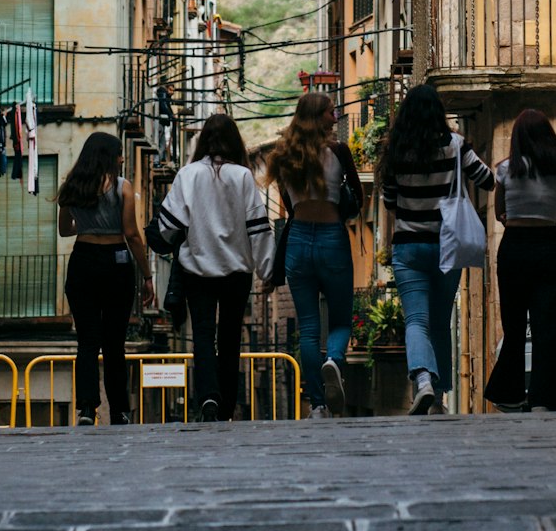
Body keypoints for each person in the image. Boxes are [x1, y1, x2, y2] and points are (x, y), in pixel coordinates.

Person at [378, 84, 494, 415]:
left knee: (417, 320)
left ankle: (423, 380)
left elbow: (389, 201)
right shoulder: (456, 146)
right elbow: (486, 180)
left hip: (409, 248)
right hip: (447, 247)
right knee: (442, 322)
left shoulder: (396, 151)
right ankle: (440, 399)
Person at [157, 113, 274, 421]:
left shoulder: (188, 174)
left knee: (204, 337)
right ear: (234, 141)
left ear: (203, 141)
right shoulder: (243, 176)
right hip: (237, 274)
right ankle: (226, 406)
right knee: (231, 338)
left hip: (197, 271)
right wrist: (267, 270)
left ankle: (208, 397)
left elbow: (169, 227)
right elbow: (259, 229)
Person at [266, 92, 363, 419]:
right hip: (331, 238)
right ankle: (334, 360)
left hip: (298, 240)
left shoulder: (283, 156)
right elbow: (358, 199)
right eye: (330, 112)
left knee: (307, 328)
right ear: (317, 116)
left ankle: (318, 405)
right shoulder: (338, 151)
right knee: (339, 318)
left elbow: (288, 205)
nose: (335, 118)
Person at [57, 133, 155, 426]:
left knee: (87, 341)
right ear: (108, 156)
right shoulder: (123, 187)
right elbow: (132, 234)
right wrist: (147, 275)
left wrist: (88, 223)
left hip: (83, 260)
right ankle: (119, 411)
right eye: (119, 154)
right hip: (116, 263)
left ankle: (87, 408)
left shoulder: (71, 187)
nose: (122, 159)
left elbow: (65, 230)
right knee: (115, 343)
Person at [484, 108, 556, 414]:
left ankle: (509, 391)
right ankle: (544, 398)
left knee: (514, 324)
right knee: (547, 327)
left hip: (514, 247)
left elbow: (499, 213)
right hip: (547, 245)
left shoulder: (506, 169)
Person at [155, 82, 176, 167]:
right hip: (159, 123)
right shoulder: (162, 93)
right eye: (170, 90)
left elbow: (167, 107)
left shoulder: (166, 99)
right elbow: (163, 106)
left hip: (162, 124)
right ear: (167, 88)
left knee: (162, 144)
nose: (172, 92)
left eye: (173, 90)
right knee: (158, 143)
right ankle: (156, 162)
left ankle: (159, 161)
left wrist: (172, 115)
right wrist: (171, 116)